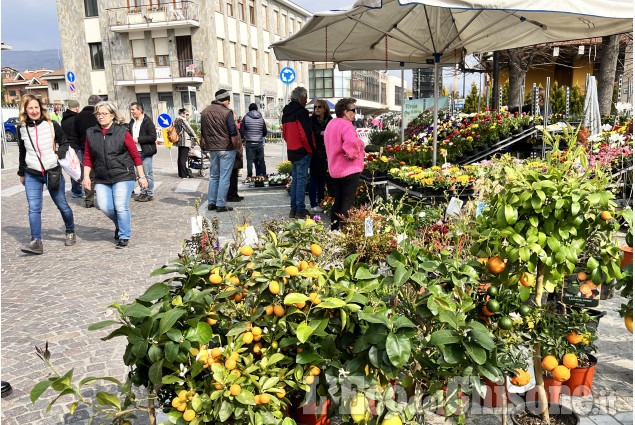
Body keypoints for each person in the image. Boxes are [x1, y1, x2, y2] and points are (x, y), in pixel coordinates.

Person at [83, 101, 148, 248]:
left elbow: (135, 155)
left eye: (104, 113)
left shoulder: (122, 132)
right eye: (98, 114)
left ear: (112, 115)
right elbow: (87, 156)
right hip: (101, 176)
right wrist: (86, 176)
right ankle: (120, 224)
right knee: (105, 207)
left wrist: (142, 176)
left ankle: (124, 235)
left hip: (122, 174)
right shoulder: (91, 133)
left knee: (120, 206)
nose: (101, 116)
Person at [17, 94, 76, 254]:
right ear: (25, 110)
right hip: (32, 173)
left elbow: (64, 142)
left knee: (62, 205)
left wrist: (58, 154)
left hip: (52, 171)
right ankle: (36, 242)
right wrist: (22, 172)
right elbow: (22, 152)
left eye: (36, 107)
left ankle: (70, 231)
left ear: (41, 108)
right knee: (34, 208)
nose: (34, 111)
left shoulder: (52, 124)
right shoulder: (21, 128)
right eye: (30, 108)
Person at [324, 97, 365, 230]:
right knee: (347, 202)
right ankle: (345, 233)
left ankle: (334, 230)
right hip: (349, 169)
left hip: (335, 170)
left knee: (338, 201)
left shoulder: (331, 124)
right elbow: (351, 143)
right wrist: (353, 154)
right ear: (345, 112)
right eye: (353, 110)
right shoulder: (346, 125)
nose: (355, 113)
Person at [200, 89, 241, 212]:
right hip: (226, 148)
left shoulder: (205, 112)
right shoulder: (226, 112)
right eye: (228, 101)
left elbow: (203, 132)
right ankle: (221, 204)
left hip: (212, 149)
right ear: (226, 100)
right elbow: (233, 132)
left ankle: (211, 202)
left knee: (214, 176)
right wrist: (236, 147)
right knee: (224, 177)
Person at [282, 86, 315, 219]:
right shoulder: (301, 112)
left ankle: (294, 209)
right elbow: (305, 134)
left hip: (292, 150)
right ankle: (300, 209)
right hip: (302, 150)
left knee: (296, 180)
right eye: (305, 97)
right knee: (300, 181)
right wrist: (310, 149)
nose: (306, 100)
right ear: (301, 97)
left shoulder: (286, 112)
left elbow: (284, 133)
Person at [74, 95, 101, 208]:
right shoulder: (98, 116)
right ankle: (101, 201)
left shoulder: (78, 116)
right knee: (100, 176)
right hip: (99, 149)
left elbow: (74, 134)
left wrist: (79, 147)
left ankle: (89, 201)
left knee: (88, 175)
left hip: (84, 150)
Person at [129, 102, 157, 202]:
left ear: (140, 110)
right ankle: (143, 192)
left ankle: (149, 193)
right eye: (131, 110)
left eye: (133, 109)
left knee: (147, 173)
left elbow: (153, 137)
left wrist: (138, 139)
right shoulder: (132, 122)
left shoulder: (147, 121)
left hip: (145, 151)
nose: (131, 112)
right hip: (135, 151)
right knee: (138, 174)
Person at [308, 99, 332, 214]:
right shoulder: (311, 120)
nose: (317, 108)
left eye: (319, 107)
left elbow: (332, 134)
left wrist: (324, 134)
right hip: (315, 153)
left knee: (323, 179)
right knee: (314, 178)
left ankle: (322, 202)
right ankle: (313, 203)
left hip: (327, 153)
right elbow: (313, 134)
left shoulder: (330, 120)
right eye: (315, 107)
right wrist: (323, 134)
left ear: (325, 109)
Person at [61, 99, 83, 198]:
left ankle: (75, 189)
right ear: (77, 108)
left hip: (67, 146)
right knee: (78, 168)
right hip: (76, 146)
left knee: (73, 168)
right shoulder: (77, 118)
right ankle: (77, 191)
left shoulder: (64, 119)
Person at [240, 103, 268, 178]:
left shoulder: (245, 117)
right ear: (257, 109)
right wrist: (260, 136)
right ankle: (264, 175)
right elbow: (265, 131)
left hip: (249, 142)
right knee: (261, 160)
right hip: (259, 143)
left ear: (249, 109)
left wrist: (243, 140)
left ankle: (249, 176)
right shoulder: (261, 118)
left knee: (249, 160)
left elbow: (242, 131)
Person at [227, 111, 244, 203]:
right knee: (232, 177)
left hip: (234, 155)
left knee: (234, 176)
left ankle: (234, 194)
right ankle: (232, 195)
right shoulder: (233, 130)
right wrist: (239, 153)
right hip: (234, 155)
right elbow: (236, 144)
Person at [175, 108, 197, 179]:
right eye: (187, 114)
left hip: (179, 141)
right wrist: (195, 136)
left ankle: (180, 173)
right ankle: (184, 175)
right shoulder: (183, 120)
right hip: (185, 141)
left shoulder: (176, 120)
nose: (187, 116)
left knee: (180, 157)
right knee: (183, 159)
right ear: (183, 114)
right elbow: (189, 129)